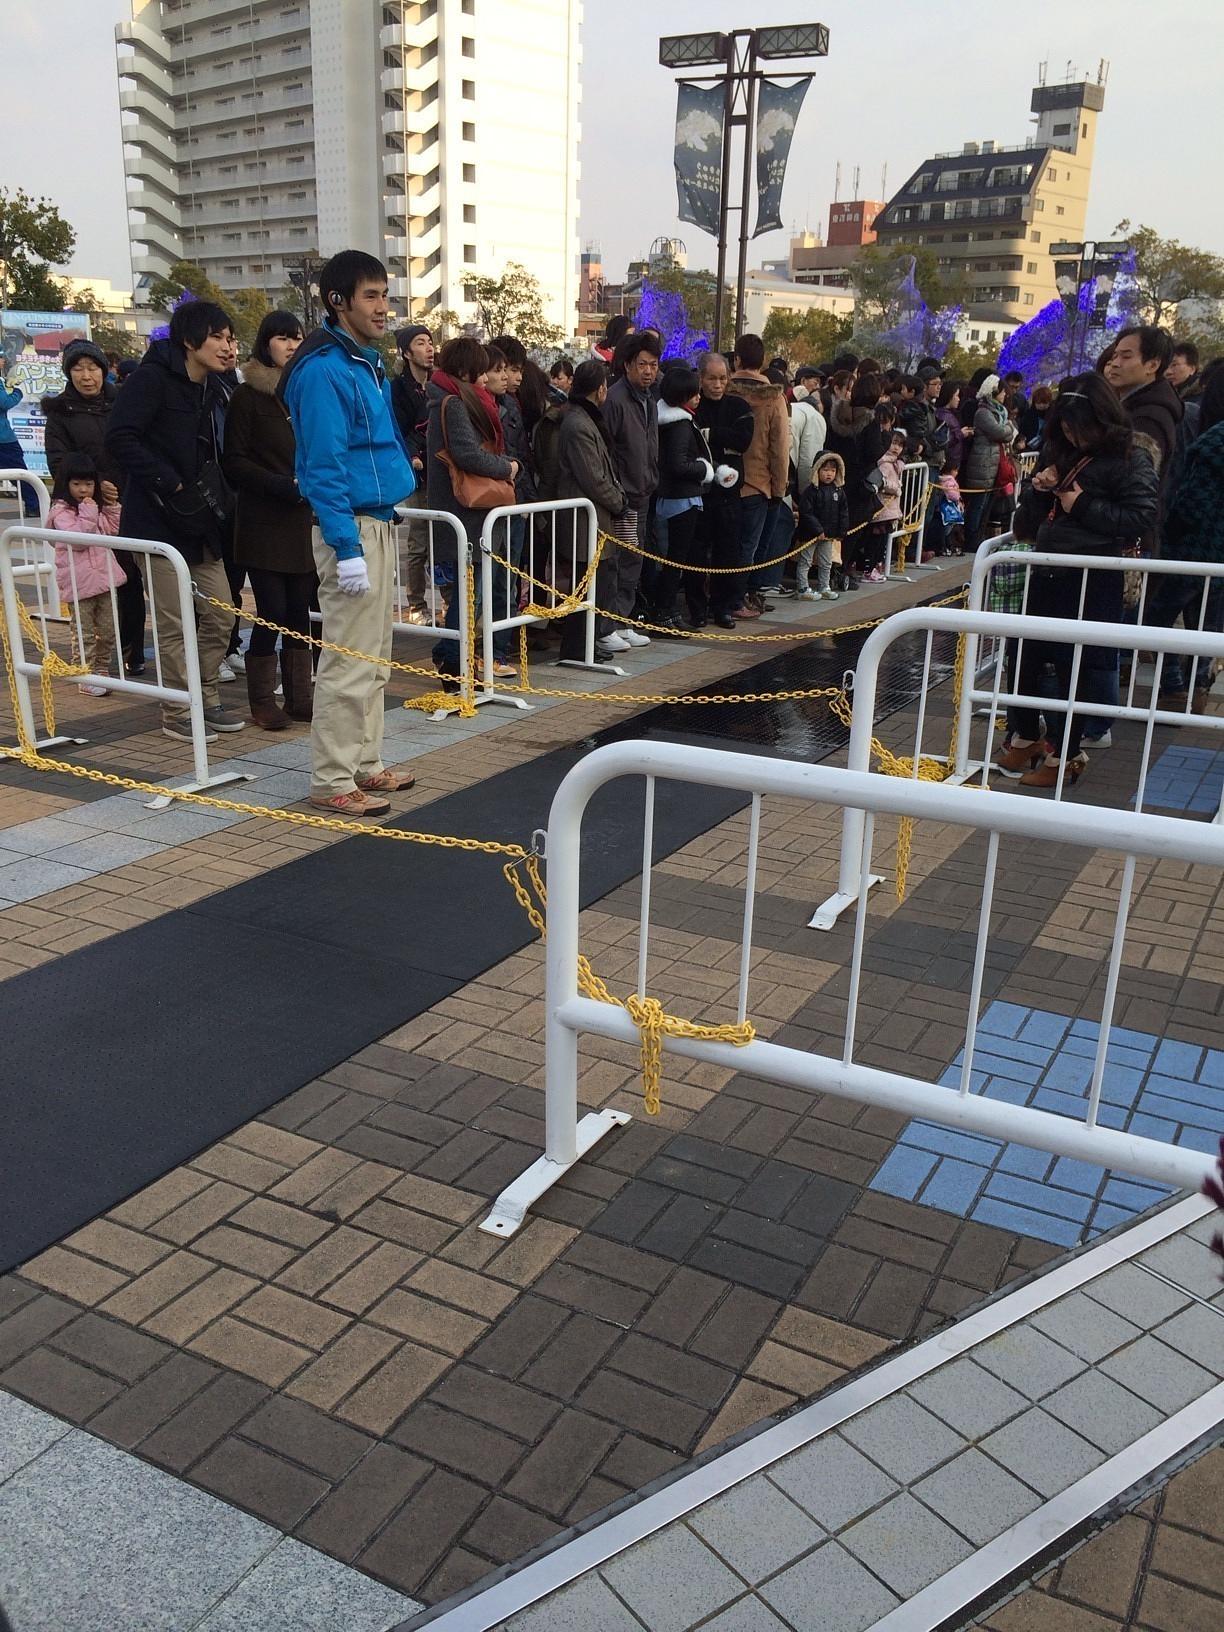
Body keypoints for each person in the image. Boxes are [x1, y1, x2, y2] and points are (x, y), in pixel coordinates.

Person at [279, 249, 417, 817]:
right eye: (371, 296)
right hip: (352, 528)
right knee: (348, 660)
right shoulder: (323, 370)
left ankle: (364, 762)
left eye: (385, 294)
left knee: (374, 659)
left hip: (375, 520)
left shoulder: (362, 361)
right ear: (338, 301)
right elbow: (323, 466)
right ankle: (332, 777)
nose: (383, 307)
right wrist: (345, 546)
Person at [995, 373, 1157, 788]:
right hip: (1048, 567)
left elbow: (1141, 518)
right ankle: (1026, 734)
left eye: (1079, 428)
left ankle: (1066, 754)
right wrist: (1040, 489)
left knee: (1075, 669)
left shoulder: (1131, 457)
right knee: (1024, 655)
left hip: (1093, 575)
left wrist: (1080, 502)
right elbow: (1027, 522)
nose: (1072, 436)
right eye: (1065, 428)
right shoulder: (1058, 450)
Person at [106, 299, 246, 742]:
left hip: (200, 520)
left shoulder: (216, 385)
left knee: (222, 614)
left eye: (230, 338)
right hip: (156, 521)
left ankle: (203, 695)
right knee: (173, 625)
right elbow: (119, 437)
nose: (226, 346)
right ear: (189, 340)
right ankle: (177, 710)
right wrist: (169, 481)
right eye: (217, 337)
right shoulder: (152, 380)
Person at [222, 310, 314, 731]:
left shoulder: (305, 392)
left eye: (297, 338)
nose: (291, 345)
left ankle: (299, 698)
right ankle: (261, 701)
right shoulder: (247, 396)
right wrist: (282, 485)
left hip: (301, 519)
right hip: (262, 520)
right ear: (265, 343)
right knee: (272, 611)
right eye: (282, 338)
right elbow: (234, 462)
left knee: (299, 611)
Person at [42, 337, 146, 676]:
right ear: (68, 373)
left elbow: (138, 445)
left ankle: (132, 651)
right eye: (78, 369)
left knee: (129, 579)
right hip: (84, 512)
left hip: (125, 503)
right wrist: (95, 487)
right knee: (90, 589)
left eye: (92, 368)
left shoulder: (123, 402)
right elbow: (59, 463)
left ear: (104, 370)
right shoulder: (59, 412)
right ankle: (92, 661)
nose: (86, 376)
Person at [423, 335, 519, 684]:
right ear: (466, 371)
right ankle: (453, 665)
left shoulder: (451, 398)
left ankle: (449, 655)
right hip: (464, 510)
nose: (485, 377)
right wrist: (507, 468)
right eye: (481, 370)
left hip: (467, 511)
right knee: (469, 593)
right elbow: (467, 455)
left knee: (469, 592)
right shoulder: (453, 403)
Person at [1147, 368, 1224, 710]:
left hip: (1194, 549)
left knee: (1158, 618)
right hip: (1217, 558)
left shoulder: (1213, 442)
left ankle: (1174, 687)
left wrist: (1171, 528)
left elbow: (1193, 501)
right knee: (1207, 626)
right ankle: (1198, 686)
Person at [555, 358, 628, 661]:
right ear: (600, 389)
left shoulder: (584, 418)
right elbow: (593, 477)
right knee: (583, 585)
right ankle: (577, 648)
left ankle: (587, 643)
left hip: (595, 517)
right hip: (584, 518)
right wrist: (618, 500)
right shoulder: (578, 423)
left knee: (594, 583)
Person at [48, 452, 124, 697]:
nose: (83, 489)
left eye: (89, 484)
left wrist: (111, 506)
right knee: (84, 632)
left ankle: (101, 667)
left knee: (109, 629)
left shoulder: (94, 508)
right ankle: (84, 672)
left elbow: (113, 530)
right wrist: (90, 510)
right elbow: (80, 539)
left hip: (104, 579)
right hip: (78, 584)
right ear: (65, 484)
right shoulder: (60, 512)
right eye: (77, 484)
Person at [651, 365, 720, 631]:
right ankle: (665, 612)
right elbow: (678, 464)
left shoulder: (670, 421)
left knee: (671, 558)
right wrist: (704, 470)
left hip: (672, 498)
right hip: (682, 499)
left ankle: (665, 610)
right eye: (693, 394)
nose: (698, 397)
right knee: (675, 560)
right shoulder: (680, 425)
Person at [602, 332, 660, 642]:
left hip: (644, 491)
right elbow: (607, 450)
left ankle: (623, 621)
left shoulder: (649, 399)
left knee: (633, 560)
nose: (648, 371)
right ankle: (608, 626)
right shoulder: (615, 399)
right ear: (627, 365)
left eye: (653, 365)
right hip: (622, 496)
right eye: (642, 364)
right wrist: (617, 491)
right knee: (618, 560)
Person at [728, 333, 790, 617]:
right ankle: (740, 599)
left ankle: (725, 599)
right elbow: (779, 448)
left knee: (725, 544)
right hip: (758, 483)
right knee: (751, 547)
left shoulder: (724, 390)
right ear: (762, 361)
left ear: (737, 359)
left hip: (724, 480)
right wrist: (779, 487)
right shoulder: (774, 397)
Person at [694, 350, 754, 627]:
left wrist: (712, 434)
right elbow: (693, 442)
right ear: (701, 378)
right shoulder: (694, 406)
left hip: (730, 494)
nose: (717, 385)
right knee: (697, 552)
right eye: (712, 379)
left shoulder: (739, 406)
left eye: (722, 378)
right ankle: (697, 608)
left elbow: (742, 441)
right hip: (700, 492)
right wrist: (717, 440)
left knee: (727, 552)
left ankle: (722, 607)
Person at [390, 323, 435, 625]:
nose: (429, 348)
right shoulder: (396, 389)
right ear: (406, 352)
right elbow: (397, 431)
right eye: (420, 343)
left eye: (430, 342)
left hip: (441, 473)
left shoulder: (438, 386)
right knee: (418, 541)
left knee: (443, 539)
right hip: (416, 474)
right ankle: (416, 604)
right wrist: (413, 455)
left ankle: (448, 601)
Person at [1103, 325, 1183, 479]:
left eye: (1126, 357)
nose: (1115, 363)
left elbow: (1134, 483)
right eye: (1114, 356)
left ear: (1152, 365)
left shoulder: (1149, 419)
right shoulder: (1125, 405)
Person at [961, 374, 1015, 550]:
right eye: (1002, 392)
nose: (1005, 395)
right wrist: (1009, 427)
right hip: (982, 464)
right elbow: (1000, 433)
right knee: (978, 505)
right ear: (994, 392)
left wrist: (1007, 429)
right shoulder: (983, 412)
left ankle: (979, 537)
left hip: (994, 464)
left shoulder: (999, 412)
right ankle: (971, 539)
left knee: (987, 505)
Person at [795, 451, 848, 600]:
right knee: (805, 561)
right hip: (810, 534)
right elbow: (806, 512)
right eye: (825, 470)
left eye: (833, 470)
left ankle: (824, 586)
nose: (829, 474)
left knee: (826, 562)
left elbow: (843, 512)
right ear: (817, 470)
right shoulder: (810, 491)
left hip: (829, 535)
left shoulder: (839, 491)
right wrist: (817, 530)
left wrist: (842, 531)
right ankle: (802, 588)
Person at [790, 366, 827, 495]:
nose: (818, 387)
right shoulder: (814, 416)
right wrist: (805, 497)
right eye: (816, 383)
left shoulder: (792, 406)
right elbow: (808, 461)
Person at [1017, 385, 1053, 450]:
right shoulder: (1029, 414)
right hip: (1029, 448)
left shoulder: (1053, 415)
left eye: (1044, 403)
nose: (1041, 405)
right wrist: (1022, 440)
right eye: (1038, 403)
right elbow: (1022, 431)